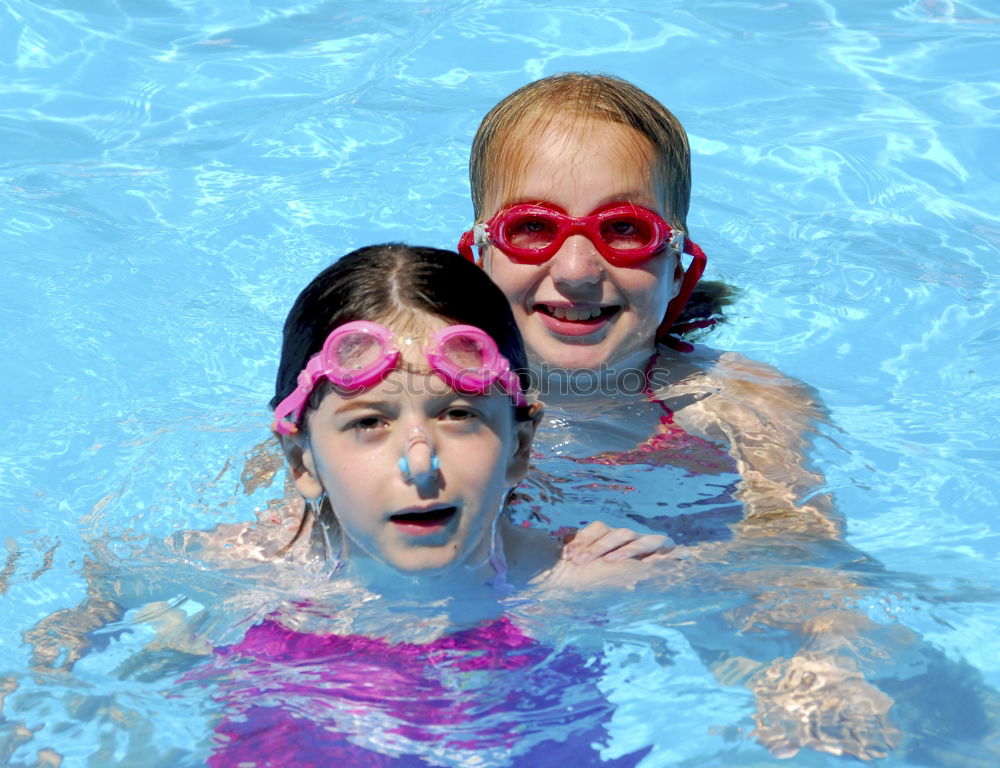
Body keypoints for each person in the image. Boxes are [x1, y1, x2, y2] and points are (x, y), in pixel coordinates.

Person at [458, 73, 841, 542]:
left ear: (677, 270)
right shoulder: (418, 395)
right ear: (480, 258)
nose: (576, 271)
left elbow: (805, 577)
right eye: (533, 226)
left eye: (624, 229)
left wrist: (658, 574)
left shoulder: (750, 410)